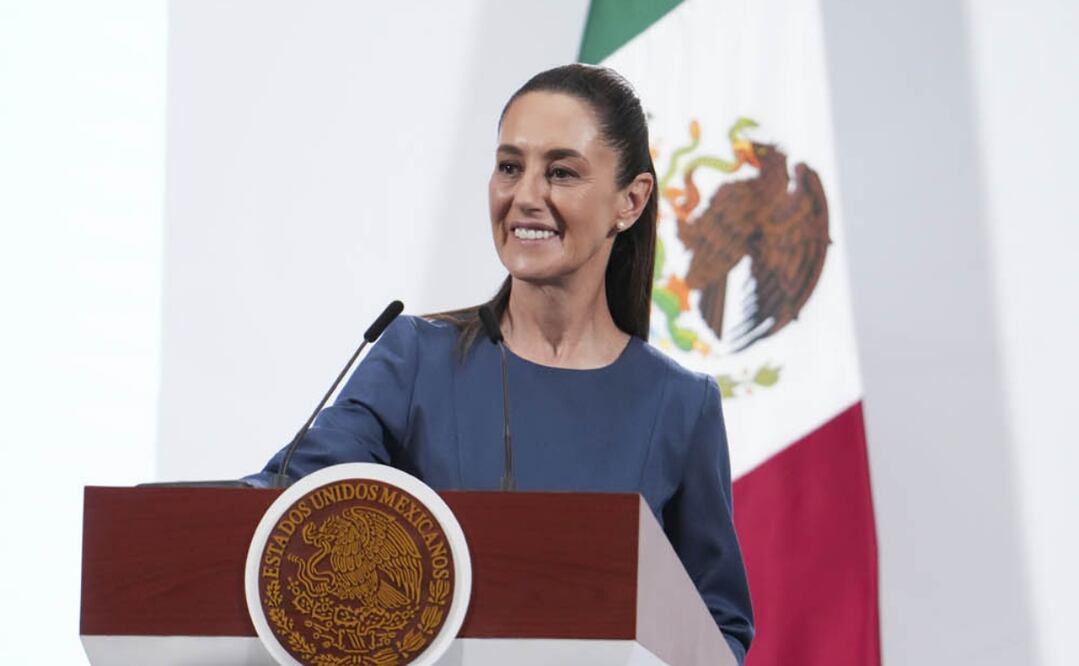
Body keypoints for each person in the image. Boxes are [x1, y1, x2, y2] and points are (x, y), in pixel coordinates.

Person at [247, 64, 754, 662]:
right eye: (510, 167)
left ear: (631, 200)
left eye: (560, 172)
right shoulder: (413, 357)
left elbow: (718, 626)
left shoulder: (680, 405)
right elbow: (291, 501)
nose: (525, 197)